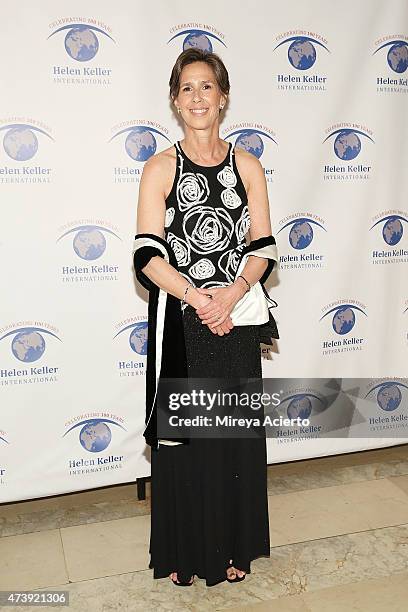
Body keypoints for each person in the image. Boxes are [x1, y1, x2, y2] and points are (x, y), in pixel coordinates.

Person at [133, 48, 279, 587]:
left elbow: (262, 246)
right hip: (183, 323)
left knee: (232, 441)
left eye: (207, 87)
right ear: (176, 101)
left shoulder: (247, 165)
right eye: (187, 88)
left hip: (235, 319)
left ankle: (233, 546)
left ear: (223, 98)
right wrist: (199, 298)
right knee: (187, 442)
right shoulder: (160, 167)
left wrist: (234, 293)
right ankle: (184, 550)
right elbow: (146, 256)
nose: (197, 97)